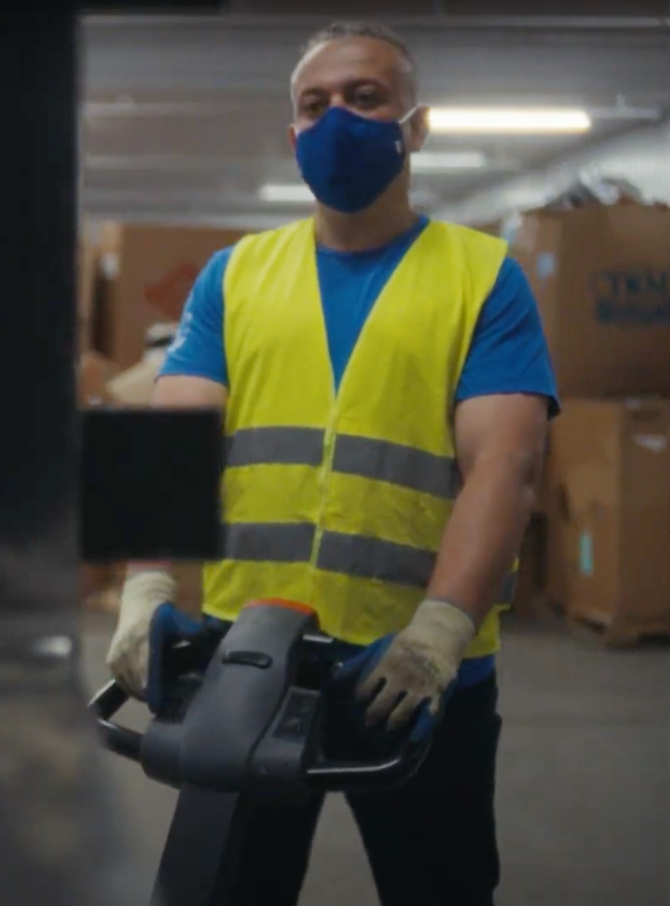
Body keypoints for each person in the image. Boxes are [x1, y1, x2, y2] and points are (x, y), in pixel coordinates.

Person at [105, 20, 558, 906]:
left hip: (418, 671)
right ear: (293, 135)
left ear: (415, 126)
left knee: (441, 890)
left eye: (366, 98)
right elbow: (174, 446)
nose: (339, 118)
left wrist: (440, 632)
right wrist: (147, 586)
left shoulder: (483, 277)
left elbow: (505, 468)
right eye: (316, 105)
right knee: (226, 889)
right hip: (253, 662)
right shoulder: (235, 277)